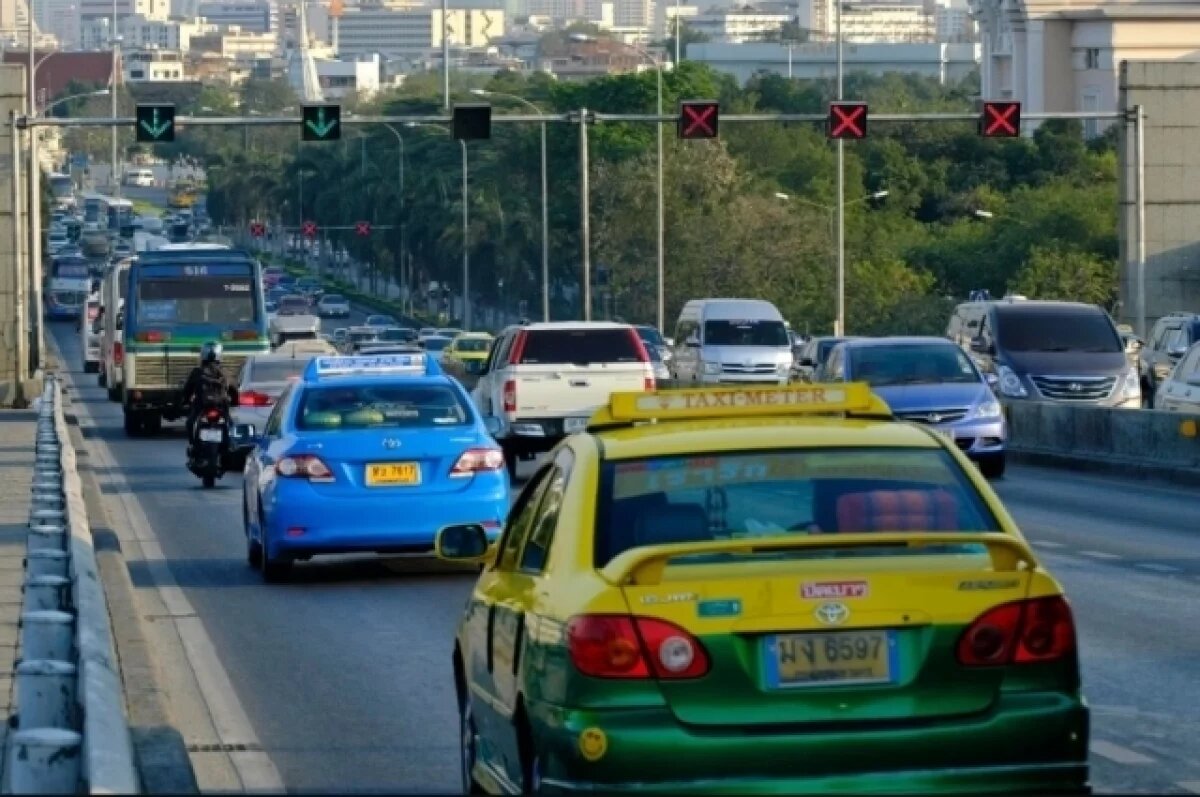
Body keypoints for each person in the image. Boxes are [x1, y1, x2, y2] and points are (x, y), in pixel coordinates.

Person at [181, 341, 238, 454]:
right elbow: (234, 390)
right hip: (221, 406)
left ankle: (193, 445)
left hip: (202, 405)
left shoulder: (197, 372)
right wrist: (235, 402)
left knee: (190, 423)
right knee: (231, 425)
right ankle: (231, 446)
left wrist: (185, 401)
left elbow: (187, 389)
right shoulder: (224, 372)